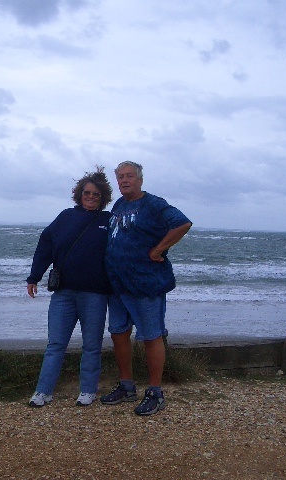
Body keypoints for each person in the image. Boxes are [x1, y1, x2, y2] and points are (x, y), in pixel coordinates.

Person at [100, 161, 192, 415]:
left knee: (151, 336)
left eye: (129, 176)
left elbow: (182, 223)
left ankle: (155, 392)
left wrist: (159, 249)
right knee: (119, 333)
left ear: (140, 179)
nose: (125, 181)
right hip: (118, 284)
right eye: (120, 177)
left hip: (145, 284)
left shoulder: (153, 203)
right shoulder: (119, 205)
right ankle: (127, 386)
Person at [26, 167, 113, 407]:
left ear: (103, 197)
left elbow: (124, 252)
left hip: (95, 295)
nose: (91, 197)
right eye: (87, 192)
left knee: (92, 345)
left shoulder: (108, 221)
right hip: (63, 294)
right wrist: (34, 277)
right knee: (55, 344)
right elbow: (45, 245)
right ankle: (43, 391)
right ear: (79, 194)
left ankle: (88, 390)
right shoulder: (65, 217)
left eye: (96, 194)